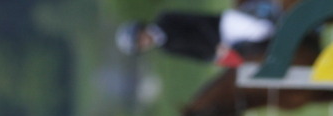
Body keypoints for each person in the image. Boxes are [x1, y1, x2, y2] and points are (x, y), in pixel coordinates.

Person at [115, 1, 281, 67]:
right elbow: (194, 54)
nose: (144, 43)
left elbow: (199, 22)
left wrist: (217, 43)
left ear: (141, 29)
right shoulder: (165, 48)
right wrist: (213, 58)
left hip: (223, 27)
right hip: (221, 50)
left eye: (140, 39)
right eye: (140, 45)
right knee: (250, 66)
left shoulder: (165, 19)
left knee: (262, 30)